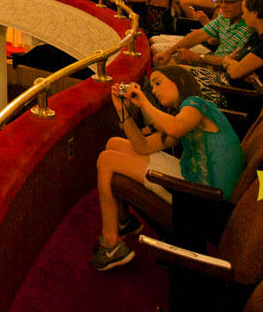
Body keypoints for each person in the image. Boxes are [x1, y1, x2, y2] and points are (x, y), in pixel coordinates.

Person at [91, 66, 243, 271]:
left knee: (106, 160)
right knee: (114, 143)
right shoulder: (185, 116)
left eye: (158, 83)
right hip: (194, 181)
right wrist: (122, 111)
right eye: (152, 85)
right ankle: (125, 221)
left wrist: (144, 102)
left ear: (180, 81)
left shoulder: (196, 104)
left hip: (204, 199)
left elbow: (174, 127)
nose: (153, 90)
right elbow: (143, 146)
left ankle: (110, 243)